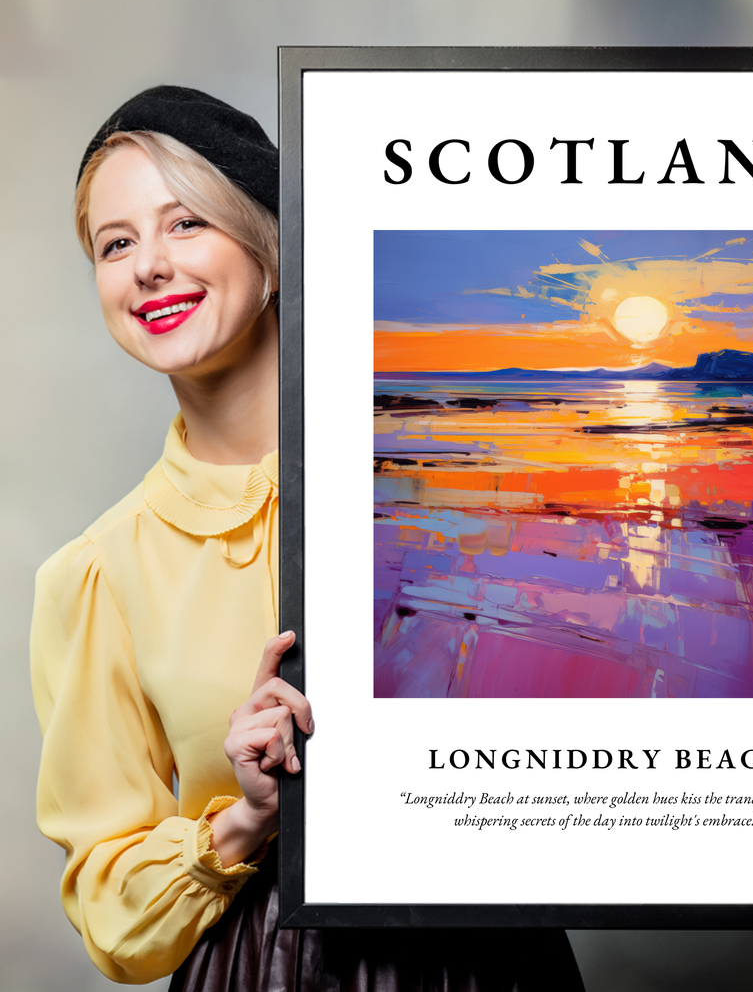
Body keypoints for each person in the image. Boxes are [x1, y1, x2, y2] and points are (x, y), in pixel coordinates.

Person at [30, 86, 586, 990]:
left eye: (185, 224)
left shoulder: (456, 482)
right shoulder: (97, 573)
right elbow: (109, 908)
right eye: (116, 243)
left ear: (272, 248)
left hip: (492, 959)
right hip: (262, 968)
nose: (148, 267)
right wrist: (245, 818)